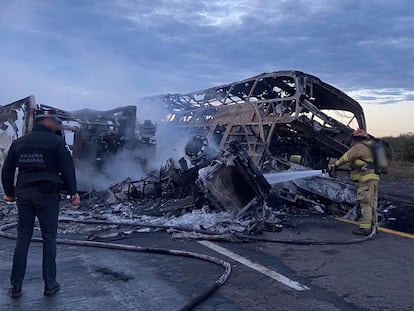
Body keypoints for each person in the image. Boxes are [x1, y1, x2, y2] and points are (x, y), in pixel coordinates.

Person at [1, 108, 80, 298]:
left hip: (24, 195)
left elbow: (7, 171)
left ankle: (16, 287)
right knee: (49, 239)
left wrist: (10, 193)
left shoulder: (19, 143)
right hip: (47, 196)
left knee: (23, 239)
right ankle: (50, 285)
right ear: (49, 123)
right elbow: (67, 169)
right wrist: (73, 193)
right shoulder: (57, 143)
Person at [331, 129, 379, 236]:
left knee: (365, 203)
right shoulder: (371, 149)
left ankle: (365, 228)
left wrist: (336, 165)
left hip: (365, 179)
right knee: (372, 203)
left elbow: (346, 157)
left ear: (356, 139)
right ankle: (374, 226)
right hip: (374, 179)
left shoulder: (358, 147)